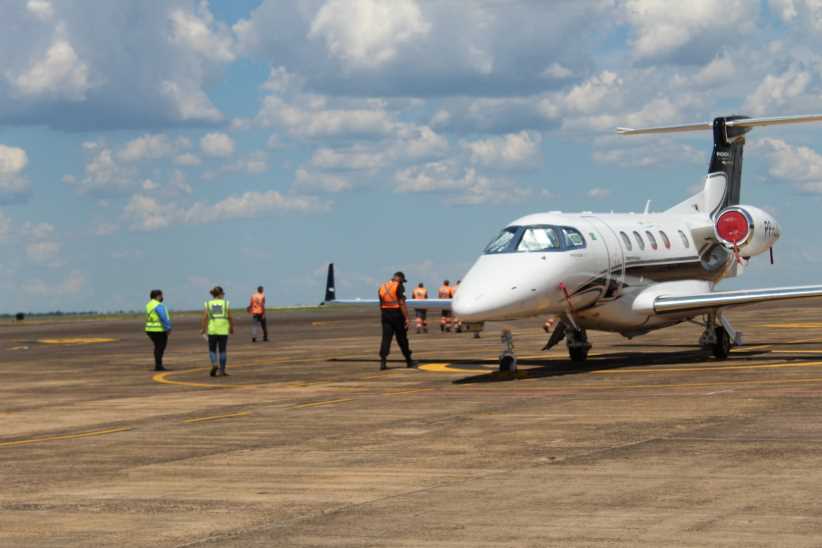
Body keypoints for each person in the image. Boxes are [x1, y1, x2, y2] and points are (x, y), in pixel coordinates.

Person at [378, 271, 417, 371]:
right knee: (402, 339)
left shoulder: (382, 286)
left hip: (385, 315)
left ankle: (383, 362)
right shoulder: (398, 286)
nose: (402, 283)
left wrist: (384, 314)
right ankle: (409, 361)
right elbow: (402, 303)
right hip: (397, 315)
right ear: (399, 278)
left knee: (386, 339)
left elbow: (381, 304)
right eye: (402, 281)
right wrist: (407, 318)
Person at [201, 286, 234, 377]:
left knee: (212, 350)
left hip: (212, 329)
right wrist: (231, 327)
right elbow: (230, 316)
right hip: (223, 329)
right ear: (220, 294)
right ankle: (222, 370)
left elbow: (205, 317)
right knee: (222, 350)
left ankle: (214, 364)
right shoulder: (225, 303)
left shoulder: (208, 303)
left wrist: (203, 328)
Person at [145, 289, 172, 371]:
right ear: (158, 296)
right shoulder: (158, 305)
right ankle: (158, 365)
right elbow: (163, 317)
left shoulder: (149, 304)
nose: (162, 297)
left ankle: (158, 364)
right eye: (161, 296)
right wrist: (168, 328)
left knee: (157, 347)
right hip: (158, 329)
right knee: (160, 347)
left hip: (149, 329)